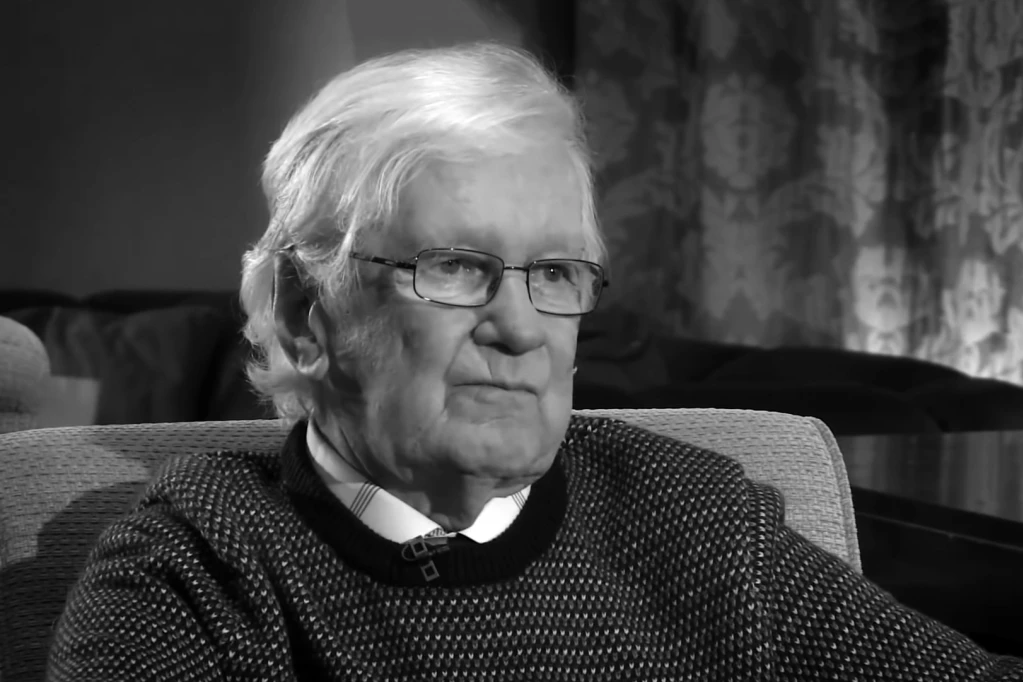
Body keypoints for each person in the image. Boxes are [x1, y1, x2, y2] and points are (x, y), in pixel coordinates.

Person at [48, 42, 1022, 681]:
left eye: (555, 272)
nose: (521, 329)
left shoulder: (698, 519)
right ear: (308, 314)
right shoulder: (198, 574)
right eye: (455, 266)